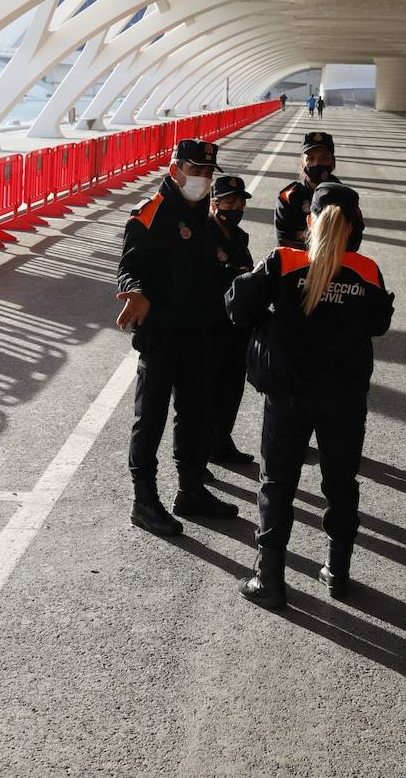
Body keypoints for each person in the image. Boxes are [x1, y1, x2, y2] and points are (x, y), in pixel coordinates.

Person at [227, 183, 394, 608]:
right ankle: (338, 573)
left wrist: (274, 320)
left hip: (289, 396)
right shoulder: (367, 270)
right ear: (355, 225)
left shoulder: (284, 262)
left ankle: (270, 579)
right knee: (340, 484)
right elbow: (377, 325)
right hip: (344, 398)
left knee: (277, 484)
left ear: (309, 221)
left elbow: (236, 306)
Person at [116, 138, 240, 537]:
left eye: (207, 173)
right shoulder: (150, 213)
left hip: (198, 331)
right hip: (162, 333)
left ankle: (191, 491)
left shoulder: (203, 213)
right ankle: (144, 500)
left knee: (195, 413)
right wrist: (134, 292)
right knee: (150, 417)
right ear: (175, 170)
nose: (202, 179)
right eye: (196, 171)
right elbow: (129, 266)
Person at [207, 174, 256, 465]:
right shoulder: (204, 235)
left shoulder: (239, 237)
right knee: (208, 390)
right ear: (214, 204)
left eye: (240, 202)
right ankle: (202, 451)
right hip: (211, 324)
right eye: (229, 201)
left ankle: (223, 441)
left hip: (236, 325)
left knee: (232, 387)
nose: (236, 207)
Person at [275, 131, 341, 249]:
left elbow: (352, 242)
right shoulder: (288, 197)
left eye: (324, 158)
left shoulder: (344, 196)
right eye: (310, 158)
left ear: (332, 161)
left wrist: (304, 235)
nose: (317, 163)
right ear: (302, 162)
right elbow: (284, 242)